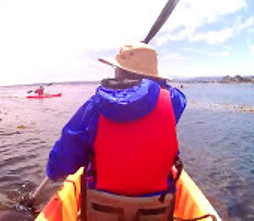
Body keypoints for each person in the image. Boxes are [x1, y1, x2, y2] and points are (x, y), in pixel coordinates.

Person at [45, 42, 186, 220]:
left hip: (103, 210)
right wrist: (154, 80)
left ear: (118, 72)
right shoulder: (174, 101)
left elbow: (60, 164)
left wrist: (53, 172)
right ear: (153, 76)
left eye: (115, 68)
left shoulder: (94, 106)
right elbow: (165, 92)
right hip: (155, 210)